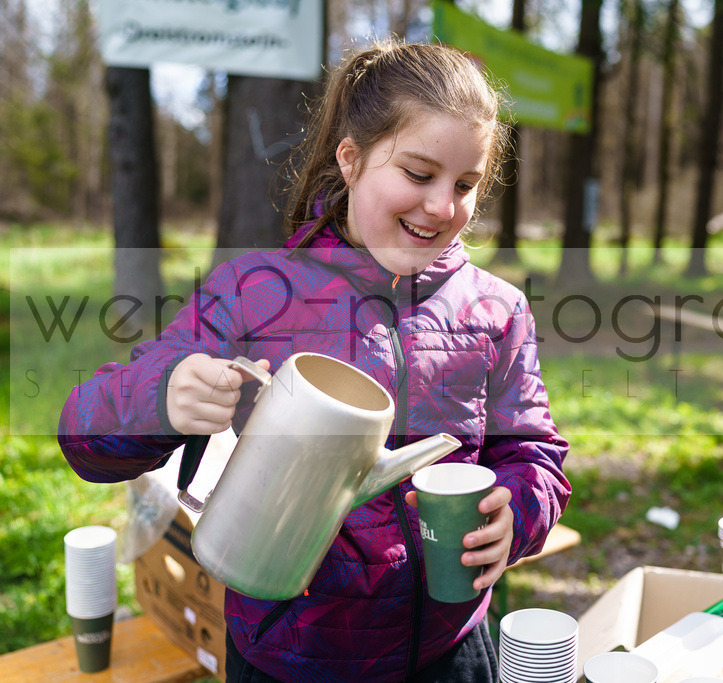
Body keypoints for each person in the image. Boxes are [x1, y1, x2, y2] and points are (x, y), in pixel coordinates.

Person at [58, 40, 571, 682]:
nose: (443, 206)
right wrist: (162, 396)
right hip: (287, 656)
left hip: (448, 652)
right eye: (418, 174)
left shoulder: (497, 309)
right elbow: (82, 437)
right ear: (351, 160)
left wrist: (517, 510)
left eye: (465, 184)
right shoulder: (256, 292)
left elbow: (533, 449)